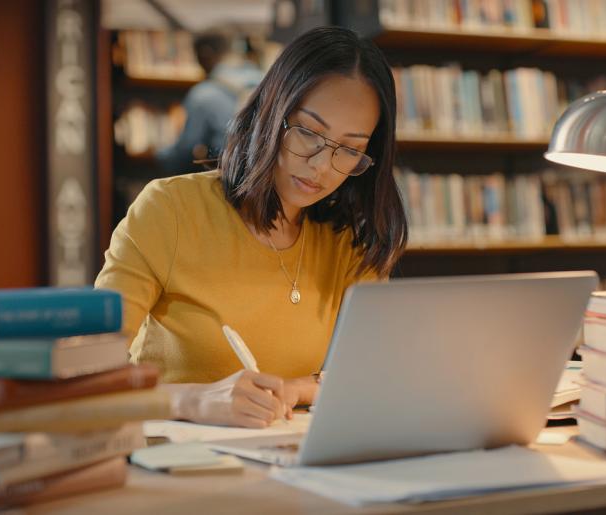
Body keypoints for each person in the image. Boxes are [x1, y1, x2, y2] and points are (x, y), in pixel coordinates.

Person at [96, 26, 407, 428]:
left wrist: (296, 389)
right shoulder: (170, 209)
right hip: (174, 462)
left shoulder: (349, 240)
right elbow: (88, 375)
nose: (321, 166)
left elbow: (372, 376)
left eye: (349, 150)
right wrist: (194, 399)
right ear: (270, 111)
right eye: (309, 133)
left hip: (284, 463)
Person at [155, 30, 263, 173]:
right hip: (265, 176)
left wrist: (160, 156)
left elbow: (185, 151)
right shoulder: (267, 80)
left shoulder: (203, 94)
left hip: (229, 179)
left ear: (205, 53)